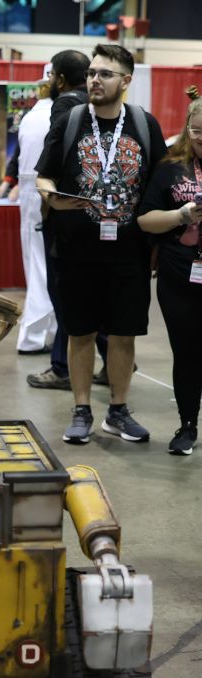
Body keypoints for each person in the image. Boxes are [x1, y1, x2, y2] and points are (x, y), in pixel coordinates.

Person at [36, 43, 166, 446]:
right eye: (92, 72)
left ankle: (118, 411)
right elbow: (44, 175)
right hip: (76, 251)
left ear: (125, 81)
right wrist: (50, 196)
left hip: (130, 253)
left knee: (124, 335)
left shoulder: (145, 124)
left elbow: (160, 187)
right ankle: (81, 411)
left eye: (105, 74)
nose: (95, 79)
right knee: (80, 334)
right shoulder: (71, 120)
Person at [24, 49, 104, 390]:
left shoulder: (63, 106)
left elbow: (53, 161)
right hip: (102, 213)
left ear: (59, 78)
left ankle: (61, 367)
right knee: (95, 295)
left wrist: (47, 206)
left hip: (68, 213)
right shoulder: (105, 107)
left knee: (64, 294)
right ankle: (115, 360)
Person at [137, 97, 202, 455]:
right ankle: (187, 425)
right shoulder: (170, 167)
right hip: (179, 274)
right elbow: (145, 220)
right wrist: (182, 215)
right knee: (187, 352)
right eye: (197, 133)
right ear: (187, 128)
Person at [13, 68, 56, 354]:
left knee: (38, 263)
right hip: (44, 190)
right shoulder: (58, 114)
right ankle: (40, 332)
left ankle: (38, 333)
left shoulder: (33, 116)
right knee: (44, 264)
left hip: (33, 191)